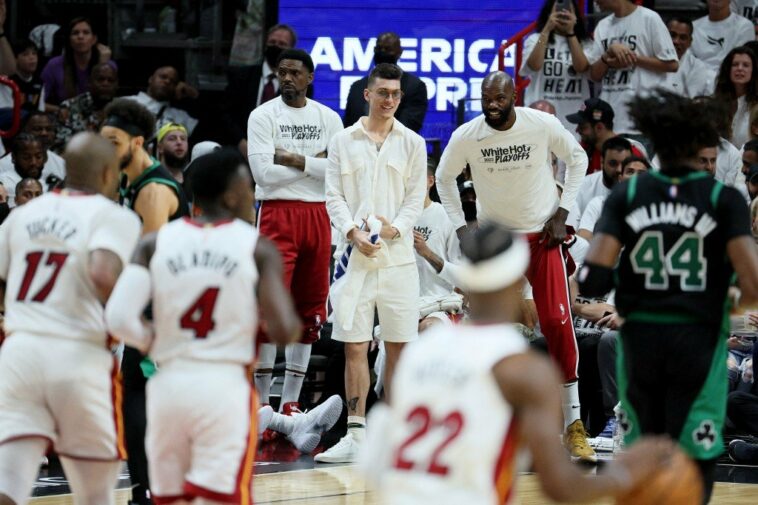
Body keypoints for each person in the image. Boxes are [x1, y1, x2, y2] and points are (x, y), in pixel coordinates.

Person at [362, 223, 674, 505]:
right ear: (518, 280)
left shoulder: (420, 351)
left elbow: (376, 459)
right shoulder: (524, 370)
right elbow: (561, 487)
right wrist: (626, 473)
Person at [104, 148, 337, 501]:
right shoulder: (256, 247)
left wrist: (155, 342)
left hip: (169, 386)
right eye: (248, 188)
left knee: (169, 496)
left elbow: (118, 317)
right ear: (231, 194)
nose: (253, 196)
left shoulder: (154, 243)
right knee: (223, 496)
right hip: (222, 389)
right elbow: (285, 330)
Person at [579, 89, 758, 504]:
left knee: (644, 447)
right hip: (698, 342)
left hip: (642, 342)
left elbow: (592, 278)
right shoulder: (722, 199)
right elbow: (752, 283)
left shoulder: (628, 195)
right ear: (700, 148)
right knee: (698, 451)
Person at [436, 70, 596, 462]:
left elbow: (577, 159)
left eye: (499, 99)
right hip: (500, 243)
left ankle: (573, 426)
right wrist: (462, 229)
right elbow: (443, 178)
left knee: (557, 323)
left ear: (514, 96)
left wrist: (563, 211)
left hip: (543, 238)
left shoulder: (540, 124)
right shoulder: (467, 136)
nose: (492, 106)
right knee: (488, 330)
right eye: (486, 99)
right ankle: (484, 423)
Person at [0, 132, 141, 505]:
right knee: (95, 493)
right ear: (110, 173)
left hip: (19, 352)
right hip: (77, 355)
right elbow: (102, 274)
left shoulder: (23, 215)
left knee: (8, 483)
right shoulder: (114, 216)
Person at [317, 63, 427, 464]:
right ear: (367, 94)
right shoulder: (343, 140)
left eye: (396, 95)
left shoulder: (413, 142)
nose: (390, 100)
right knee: (354, 346)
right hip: (354, 257)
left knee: (399, 346)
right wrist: (351, 232)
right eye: (383, 93)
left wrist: (395, 229)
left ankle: (395, 436)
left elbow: (416, 198)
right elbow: (333, 196)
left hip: (398, 260)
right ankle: (356, 432)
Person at [100, 97, 189, 504]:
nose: (106, 148)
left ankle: (154, 489)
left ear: (137, 142)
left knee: (143, 397)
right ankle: (146, 490)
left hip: (165, 308)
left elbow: (147, 265)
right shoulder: (124, 181)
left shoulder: (153, 190)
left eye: (113, 140)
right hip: (148, 306)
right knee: (135, 397)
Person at [247, 49, 343, 421]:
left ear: (310, 77)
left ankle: (290, 403)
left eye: (295, 73)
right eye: (282, 72)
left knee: (310, 311)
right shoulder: (262, 115)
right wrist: (313, 164)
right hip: (276, 214)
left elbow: (335, 171)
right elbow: (263, 175)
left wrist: (291, 158)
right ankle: (261, 406)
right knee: (269, 310)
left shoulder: (329, 117)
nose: (287, 78)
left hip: (318, 216)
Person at [588, 0, 678, 143]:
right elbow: (594, 75)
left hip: (643, 120)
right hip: (611, 120)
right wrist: (607, 56)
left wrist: (631, 58)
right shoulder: (602, 26)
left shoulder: (649, 18)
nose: (595, 2)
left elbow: (672, 64)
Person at [100, 98, 189, 233]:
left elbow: (151, 252)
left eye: (114, 143)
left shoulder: (153, 193)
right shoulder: (126, 171)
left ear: (137, 143)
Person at [520, 0, 593, 134]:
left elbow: (581, 67)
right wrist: (547, 29)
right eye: (558, 10)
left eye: (568, 11)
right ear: (548, 14)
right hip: (541, 114)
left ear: (576, 16)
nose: (562, 14)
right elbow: (534, 65)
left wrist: (570, 33)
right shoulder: (535, 39)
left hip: (574, 117)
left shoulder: (585, 42)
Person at [224, 24, 298, 156]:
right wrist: (242, 143)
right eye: (272, 42)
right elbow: (227, 115)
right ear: (265, 44)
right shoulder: (242, 76)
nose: (276, 46)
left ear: (291, 51)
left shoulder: (298, 86)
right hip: (240, 148)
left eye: (282, 44)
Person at [343, 32, 428, 133]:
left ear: (399, 52)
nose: (382, 52)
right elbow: (348, 126)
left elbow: (409, 126)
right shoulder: (357, 87)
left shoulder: (415, 87)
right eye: (379, 48)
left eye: (388, 49)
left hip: (396, 146)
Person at [413, 162, 464, 331]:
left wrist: (427, 253)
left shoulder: (446, 217)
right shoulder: (394, 219)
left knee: (429, 329)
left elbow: (460, 277)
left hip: (438, 301)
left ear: (430, 181)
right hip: (403, 303)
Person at [40, 17, 114, 105]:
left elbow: (107, 100)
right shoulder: (54, 65)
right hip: (65, 115)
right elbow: (39, 102)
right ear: (69, 40)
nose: (80, 37)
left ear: (94, 39)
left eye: (86, 33)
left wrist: (102, 65)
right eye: (75, 33)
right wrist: (59, 110)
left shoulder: (108, 64)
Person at [577, 155, 650, 243]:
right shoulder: (599, 203)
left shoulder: (654, 209)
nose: (634, 177)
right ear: (620, 178)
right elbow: (583, 237)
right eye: (630, 172)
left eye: (641, 173)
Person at [568, 136, 632, 234]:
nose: (619, 169)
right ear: (602, 162)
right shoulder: (581, 187)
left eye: (624, 164)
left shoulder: (640, 189)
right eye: (613, 163)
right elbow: (572, 232)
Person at [565, 98, 646, 174]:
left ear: (599, 127)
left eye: (583, 127)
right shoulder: (586, 150)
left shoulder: (631, 154)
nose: (577, 130)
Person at [56, 62, 119, 148]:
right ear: (89, 82)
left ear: (116, 85)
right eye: (100, 79)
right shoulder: (69, 107)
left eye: (110, 81)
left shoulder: (123, 110)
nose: (105, 84)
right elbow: (61, 144)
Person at [125, 66, 198, 137]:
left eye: (173, 81)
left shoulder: (181, 116)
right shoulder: (125, 102)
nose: (167, 81)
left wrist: (193, 97)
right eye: (163, 77)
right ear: (150, 79)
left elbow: (203, 131)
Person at [0, 111, 66, 183]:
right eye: (37, 129)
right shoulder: (3, 165)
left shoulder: (61, 163)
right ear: (24, 130)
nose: (44, 133)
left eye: (49, 129)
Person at [691, 0, 754, 74]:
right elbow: (688, 63)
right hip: (698, 79)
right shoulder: (692, 27)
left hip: (730, 80)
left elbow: (740, 61)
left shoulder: (745, 26)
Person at [713, 47, 758, 148]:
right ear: (728, 69)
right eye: (735, 64)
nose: (740, 68)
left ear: (753, 71)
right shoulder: (715, 103)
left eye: (745, 65)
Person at [661, 17, 717, 98]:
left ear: (690, 42)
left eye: (682, 38)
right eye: (672, 35)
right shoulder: (649, 58)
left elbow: (688, 102)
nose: (676, 41)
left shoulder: (697, 67)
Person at [0, 133, 57, 207]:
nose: (33, 162)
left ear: (45, 158)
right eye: (26, 157)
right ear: (14, 157)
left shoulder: (49, 185)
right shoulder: (3, 182)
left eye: (38, 157)